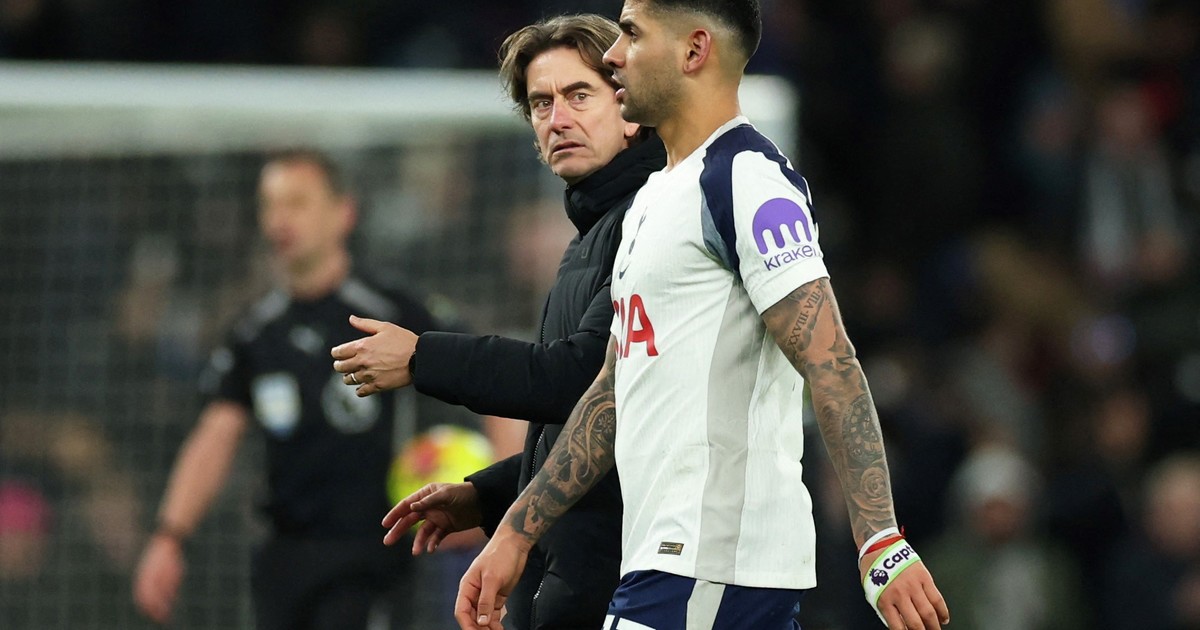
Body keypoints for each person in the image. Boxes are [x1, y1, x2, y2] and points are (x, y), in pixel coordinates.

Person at [453, 1, 951, 629]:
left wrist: (881, 541)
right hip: (677, 564)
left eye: (631, 34)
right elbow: (612, 392)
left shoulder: (747, 179)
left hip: (710, 562)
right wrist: (516, 532)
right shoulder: (654, 199)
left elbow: (831, 361)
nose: (614, 55)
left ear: (693, 51)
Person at [330, 14, 666, 630]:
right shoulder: (594, 232)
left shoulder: (652, 221)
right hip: (578, 567)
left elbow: (577, 380)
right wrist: (485, 495)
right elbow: (585, 428)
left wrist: (421, 357)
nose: (557, 119)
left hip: (628, 578)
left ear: (630, 108)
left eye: (579, 95)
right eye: (541, 103)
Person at [132, 149, 468, 630]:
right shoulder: (254, 332)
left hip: (372, 557)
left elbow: (485, 380)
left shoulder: (392, 310)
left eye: (297, 202)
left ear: (343, 213)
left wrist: (498, 504)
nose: (280, 219)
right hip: (282, 559)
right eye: (270, 204)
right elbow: (216, 434)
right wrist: (170, 536)